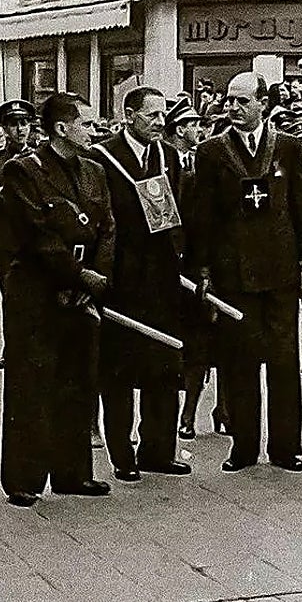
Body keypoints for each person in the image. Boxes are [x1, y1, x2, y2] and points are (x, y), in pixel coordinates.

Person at [190, 72, 302, 473]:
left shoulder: (288, 148)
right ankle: (243, 448)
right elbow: (202, 218)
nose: (233, 108)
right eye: (229, 100)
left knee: (283, 361)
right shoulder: (212, 152)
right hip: (235, 276)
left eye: (242, 101)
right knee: (240, 363)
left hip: (281, 273)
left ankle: (286, 448)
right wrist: (204, 270)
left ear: (263, 103)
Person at [0, 92, 113, 506]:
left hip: (83, 292)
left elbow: (107, 228)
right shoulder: (24, 171)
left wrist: (96, 277)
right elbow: (36, 233)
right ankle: (24, 478)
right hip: (36, 289)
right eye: (86, 122)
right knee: (32, 381)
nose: (93, 129)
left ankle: (73, 472)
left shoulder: (95, 171)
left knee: (78, 381)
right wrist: (79, 274)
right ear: (62, 128)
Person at [87, 87, 189, 481]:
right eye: (151, 115)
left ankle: (158, 450)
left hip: (162, 276)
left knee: (164, 366)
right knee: (119, 370)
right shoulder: (102, 158)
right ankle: (122, 454)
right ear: (129, 115)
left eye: (163, 115)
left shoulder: (169, 156)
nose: (160, 122)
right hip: (123, 276)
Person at [164, 96, 227, 439]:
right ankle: (186, 413)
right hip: (178, 264)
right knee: (188, 343)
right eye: (194, 125)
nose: (200, 131)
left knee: (212, 339)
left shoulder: (204, 162)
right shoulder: (163, 162)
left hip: (208, 262)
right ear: (180, 129)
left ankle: (219, 409)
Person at [0, 99, 36, 370]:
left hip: (35, 237)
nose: (20, 129)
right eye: (13, 124)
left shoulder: (40, 156)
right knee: (10, 293)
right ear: (3, 129)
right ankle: (12, 346)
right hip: (6, 239)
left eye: (24, 123)